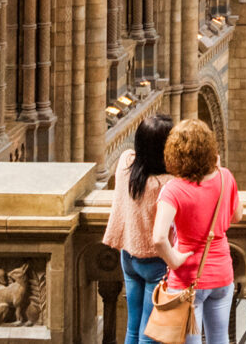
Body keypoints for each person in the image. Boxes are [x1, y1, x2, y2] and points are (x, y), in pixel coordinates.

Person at [152, 118, 238, 344]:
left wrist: (174, 260)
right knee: (220, 339)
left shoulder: (173, 190)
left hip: (187, 276)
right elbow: (237, 215)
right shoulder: (225, 176)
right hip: (221, 273)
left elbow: (159, 238)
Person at [105, 114, 172, 344]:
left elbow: (134, 154)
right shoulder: (167, 184)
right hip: (155, 262)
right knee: (149, 331)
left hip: (129, 256)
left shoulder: (125, 164)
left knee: (132, 329)